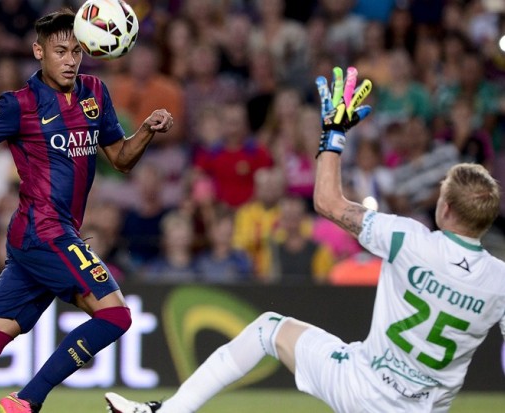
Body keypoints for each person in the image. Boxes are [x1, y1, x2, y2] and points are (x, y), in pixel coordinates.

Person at [104, 68, 505, 413]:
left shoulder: (407, 239)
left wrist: (333, 133)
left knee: (268, 329)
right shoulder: (498, 281)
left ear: (445, 208)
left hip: (360, 387)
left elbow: (328, 202)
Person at [0, 9, 173, 413]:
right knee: (116, 316)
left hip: (46, 238)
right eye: (60, 51)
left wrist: (146, 129)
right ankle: (27, 400)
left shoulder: (95, 92)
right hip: (45, 232)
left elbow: (121, 159)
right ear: (38, 51)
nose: (70, 60)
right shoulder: (19, 105)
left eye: (76, 51)